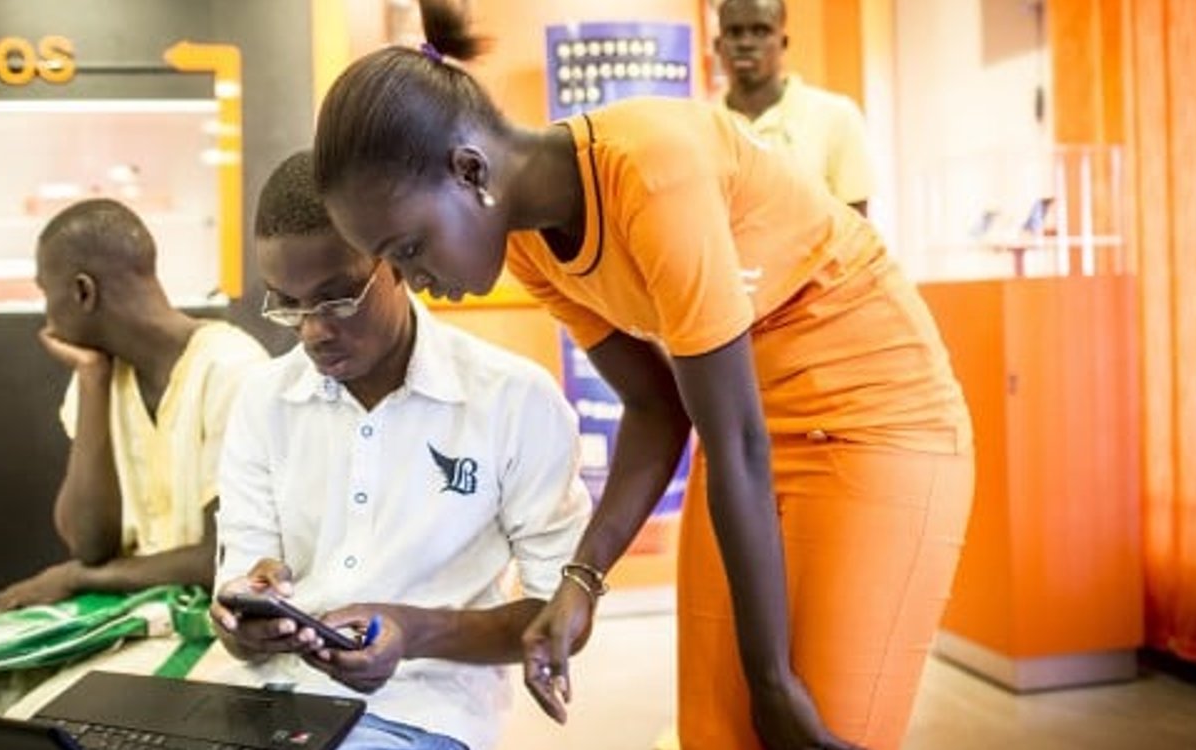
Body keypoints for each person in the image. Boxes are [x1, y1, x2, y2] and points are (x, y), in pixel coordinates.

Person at [309, 2, 975, 748]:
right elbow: (658, 408)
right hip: (750, 434)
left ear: (471, 171)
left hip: (876, 422)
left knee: (812, 722)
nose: (414, 279)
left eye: (409, 246)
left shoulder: (651, 172)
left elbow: (734, 444)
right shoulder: (529, 245)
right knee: (716, 735)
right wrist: (581, 579)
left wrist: (773, 685)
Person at [204, 151, 591, 750]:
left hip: (424, 713)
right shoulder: (263, 401)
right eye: (288, 303)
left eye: (335, 298)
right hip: (262, 701)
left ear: (397, 263)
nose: (312, 330)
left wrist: (414, 633)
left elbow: (559, 616)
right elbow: (237, 590)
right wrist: (246, 623)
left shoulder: (513, 401)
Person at [0, 198, 267, 714]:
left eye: (44, 293)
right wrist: (93, 382)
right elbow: (89, 539)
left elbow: (220, 560)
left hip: (199, 632)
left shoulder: (232, 369)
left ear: (81, 291)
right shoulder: (101, 375)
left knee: (33, 721)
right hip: (115, 617)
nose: (45, 313)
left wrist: (77, 578)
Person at [715, 0, 874, 216]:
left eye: (761, 31)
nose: (746, 43)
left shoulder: (836, 116)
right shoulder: (702, 126)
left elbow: (856, 228)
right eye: (734, 32)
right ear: (718, 45)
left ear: (783, 42)